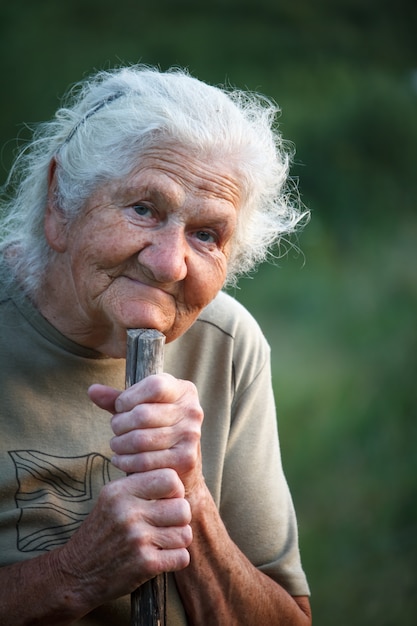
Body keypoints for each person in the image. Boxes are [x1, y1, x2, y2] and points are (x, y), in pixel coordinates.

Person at [0, 65, 311, 625]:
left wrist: (190, 497)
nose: (170, 263)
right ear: (59, 205)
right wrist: (74, 574)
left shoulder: (228, 343)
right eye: (144, 208)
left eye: (207, 234)